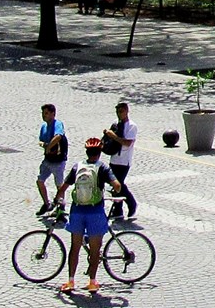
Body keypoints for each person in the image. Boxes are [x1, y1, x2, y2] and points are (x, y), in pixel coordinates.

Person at [60, 136, 123, 294]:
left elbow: (64, 187)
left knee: (75, 247)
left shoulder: (77, 166)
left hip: (77, 211)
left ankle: (71, 281)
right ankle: (93, 282)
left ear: (87, 152)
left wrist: (57, 198)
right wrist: (114, 189)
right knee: (95, 249)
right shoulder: (102, 167)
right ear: (100, 152)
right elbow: (117, 186)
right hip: (95, 212)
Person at [105, 101, 139, 221]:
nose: (119, 114)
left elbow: (127, 143)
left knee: (119, 184)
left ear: (126, 111)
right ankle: (118, 209)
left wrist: (112, 136)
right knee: (115, 185)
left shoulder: (132, 126)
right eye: (117, 112)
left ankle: (131, 203)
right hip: (114, 159)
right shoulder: (116, 125)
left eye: (121, 111)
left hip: (124, 161)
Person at [36, 103, 68, 215]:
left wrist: (48, 146)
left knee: (59, 185)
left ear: (53, 114)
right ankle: (46, 204)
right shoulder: (44, 127)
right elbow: (41, 140)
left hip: (58, 160)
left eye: (46, 113)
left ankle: (61, 207)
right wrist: (44, 145)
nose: (43, 115)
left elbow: (59, 136)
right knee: (40, 181)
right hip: (48, 159)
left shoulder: (58, 124)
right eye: (43, 113)